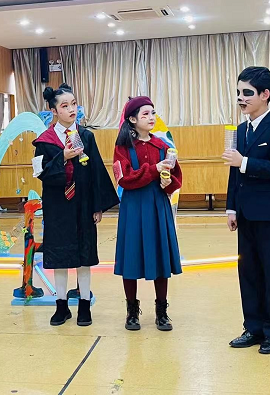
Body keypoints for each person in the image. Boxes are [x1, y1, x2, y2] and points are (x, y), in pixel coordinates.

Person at [223, 66, 270, 355]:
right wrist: (231, 207)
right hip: (245, 214)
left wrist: (244, 162)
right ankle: (253, 328)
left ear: (265, 94)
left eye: (247, 93)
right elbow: (234, 172)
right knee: (249, 272)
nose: (241, 98)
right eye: (238, 92)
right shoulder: (240, 130)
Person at [33, 84, 118, 327]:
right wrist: (63, 157)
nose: (71, 109)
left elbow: (96, 171)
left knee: (84, 256)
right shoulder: (44, 141)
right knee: (59, 256)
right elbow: (40, 173)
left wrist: (97, 206)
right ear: (54, 111)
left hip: (83, 205)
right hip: (58, 207)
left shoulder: (86, 136)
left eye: (73, 104)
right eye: (65, 106)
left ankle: (84, 305)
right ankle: (61, 306)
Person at [113, 97, 182, 331]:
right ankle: (132, 311)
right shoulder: (122, 148)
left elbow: (176, 177)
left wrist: (168, 182)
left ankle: (162, 311)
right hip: (133, 206)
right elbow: (124, 178)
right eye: (145, 114)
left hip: (157, 205)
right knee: (131, 256)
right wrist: (154, 170)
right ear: (132, 119)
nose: (151, 117)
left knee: (160, 256)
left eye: (153, 112)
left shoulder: (162, 146)